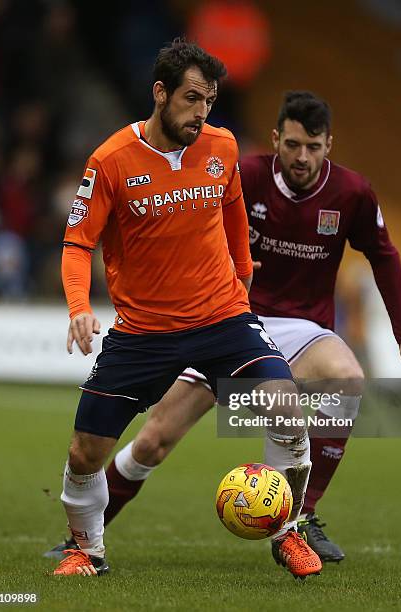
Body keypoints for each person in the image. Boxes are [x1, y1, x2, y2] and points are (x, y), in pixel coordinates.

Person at [52, 43, 322, 578]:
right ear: (161, 94)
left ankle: (288, 531)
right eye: (192, 99)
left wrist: (242, 276)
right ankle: (87, 550)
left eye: (210, 101)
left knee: (287, 406)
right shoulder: (110, 162)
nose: (202, 113)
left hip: (222, 318)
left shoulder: (221, 145)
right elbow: (77, 243)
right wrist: (79, 308)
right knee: (85, 453)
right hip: (143, 332)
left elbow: (232, 210)